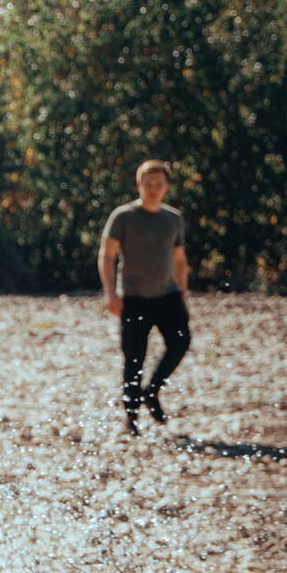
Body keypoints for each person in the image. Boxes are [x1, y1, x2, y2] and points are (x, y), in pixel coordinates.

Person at [99, 159, 191, 434]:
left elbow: (179, 260)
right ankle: (131, 420)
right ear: (139, 185)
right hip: (134, 298)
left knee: (181, 342)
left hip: (168, 296)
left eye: (158, 184)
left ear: (166, 187)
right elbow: (107, 255)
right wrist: (110, 293)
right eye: (147, 184)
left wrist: (184, 297)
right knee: (134, 359)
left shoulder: (173, 218)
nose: (153, 189)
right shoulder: (123, 216)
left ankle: (152, 391)